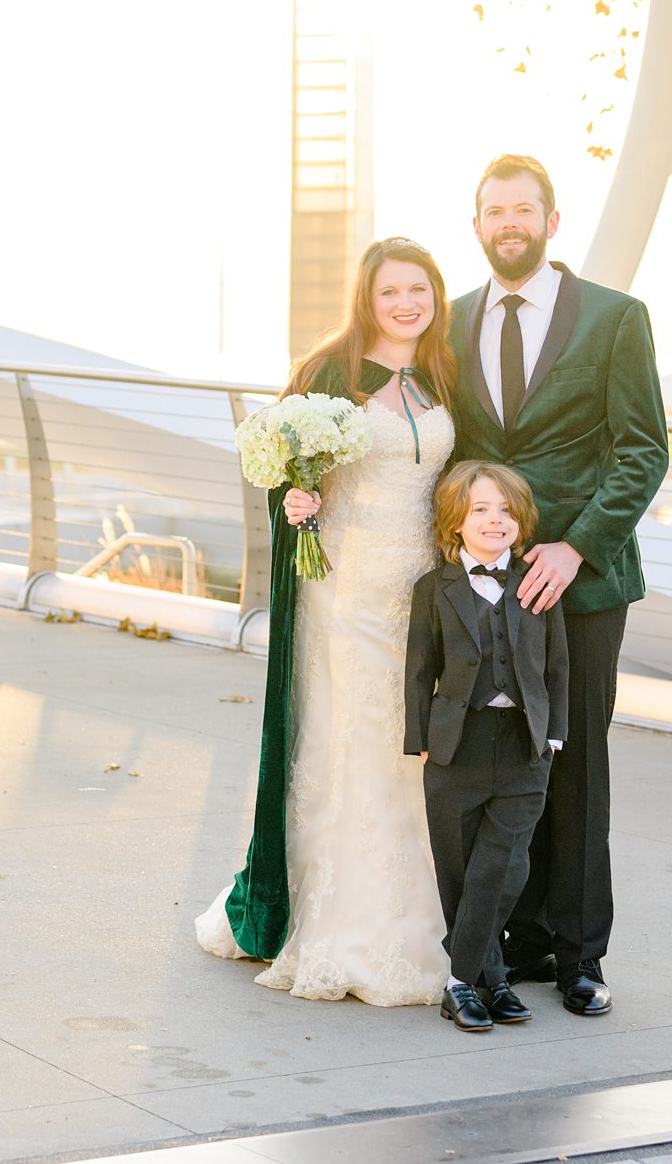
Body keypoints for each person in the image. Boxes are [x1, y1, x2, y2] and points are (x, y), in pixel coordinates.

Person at [196, 236, 460, 1005]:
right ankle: (346, 919)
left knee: (414, 746)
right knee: (355, 740)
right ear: (366, 300)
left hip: (419, 583)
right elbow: (283, 474)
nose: (407, 304)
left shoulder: (444, 373)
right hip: (344, 589)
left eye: (420, 289)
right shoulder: (328, 375)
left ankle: (438, 909)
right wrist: (297, 500)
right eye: (391, 292)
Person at [447, 153, 669, 1017]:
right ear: (477, 225)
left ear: (551, 219)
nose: (510, 222)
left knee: (573, 765)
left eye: (524, 209)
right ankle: (519, 938)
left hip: (582, 584)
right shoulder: (455, 321)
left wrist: (576, 547)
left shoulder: (615, 318)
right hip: (488, 583)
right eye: (495, 210)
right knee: (502, 763)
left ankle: (580, 955)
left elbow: (642, 447)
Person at [405, 462, 569, 1031]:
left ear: (521, 522)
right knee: (460, 865)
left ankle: (459, 982)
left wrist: (553, 732)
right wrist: (421, 739)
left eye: (506, 510)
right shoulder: (434, 588)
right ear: (456, 522)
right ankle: (491, 979)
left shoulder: (537, 583)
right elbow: (418, 667)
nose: (494, 520)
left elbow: (558, 665)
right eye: (480, 509)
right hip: (457, 742)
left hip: (525, 742)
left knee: (506, 864)